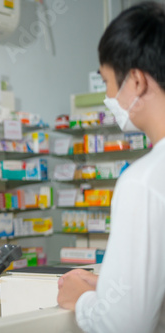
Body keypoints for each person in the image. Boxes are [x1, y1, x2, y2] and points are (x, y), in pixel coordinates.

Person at [57, 2, 165, 332]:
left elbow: (124, 326)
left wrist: (83, 298)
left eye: (106, 81)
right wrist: (110, 289)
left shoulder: (144, 181)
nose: (107, 96)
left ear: (136, 81)